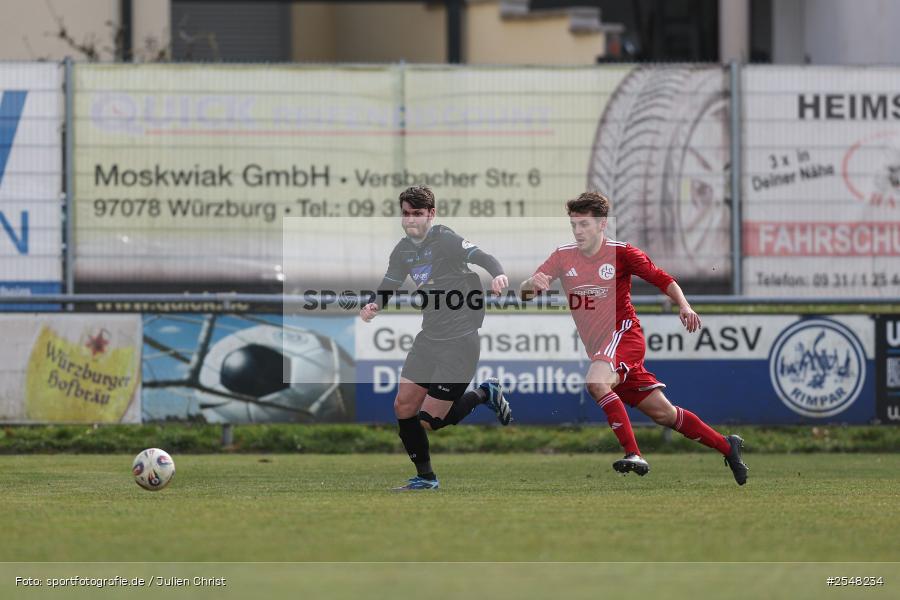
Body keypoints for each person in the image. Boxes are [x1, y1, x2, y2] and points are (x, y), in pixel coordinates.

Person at [520, 191, 748, 485]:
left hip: (624, 335)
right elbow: (526, 294)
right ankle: (728, 446)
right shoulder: (563, 256)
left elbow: (662, 278)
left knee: (596, 382)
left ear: (602, 225)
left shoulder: (622, 253)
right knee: (665, 414)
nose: (578, 231)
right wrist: (531, 283)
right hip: (602, 348)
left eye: (584, 225)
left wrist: (684, 305)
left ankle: (633, 453)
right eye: (574, 225)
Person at [360, 185, 513, 491]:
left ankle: (485, 393)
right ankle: (425, 478)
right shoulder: (403, 250)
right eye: (406, 214)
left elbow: (482, 256)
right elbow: (389, 283)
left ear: (431, 214)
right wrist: (375, 303)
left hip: (459, 342)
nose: (411, 220)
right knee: (403, 407)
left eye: (417, 214)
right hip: (428, 338)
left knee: (430, 420)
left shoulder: (445, 238)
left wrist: (497, 274)